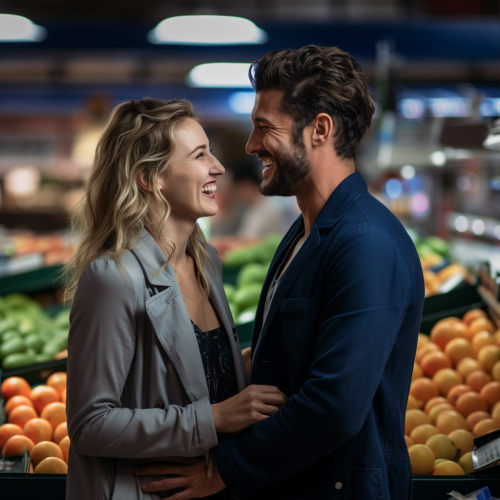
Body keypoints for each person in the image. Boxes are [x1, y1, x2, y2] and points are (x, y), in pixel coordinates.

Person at [137, 46, 425, 499]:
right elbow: (294, 359)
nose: (251, 146)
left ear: (320, 130)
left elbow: (335, 407)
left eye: (264, 128)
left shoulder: (365, 242)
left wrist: (226, 470)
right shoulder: (304, 231)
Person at [62, 97, 286, 500]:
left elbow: (192, 372)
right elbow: (90, 424)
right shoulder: (113, 278)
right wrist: (213, 418)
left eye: (212, 153)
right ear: (150, 178)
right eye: (200, 155)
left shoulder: (206, 262)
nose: (218, 167)